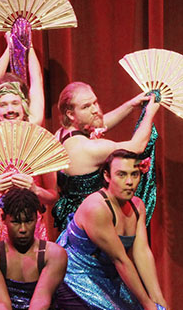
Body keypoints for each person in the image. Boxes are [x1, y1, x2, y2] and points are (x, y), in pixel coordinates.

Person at [55, 150, 172, 310]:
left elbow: (141, 254)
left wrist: (158, 301)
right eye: (122, 174)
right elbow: (122, 260)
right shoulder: (96, 207)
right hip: (71, 274)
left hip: (104, 276)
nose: (129, 181)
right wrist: (147, 301)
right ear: (107, 177)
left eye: (134, 174)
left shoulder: (138, 206)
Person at [0, 30, 58, 299]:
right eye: (3, 104)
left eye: (15, 103)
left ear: (24, 106)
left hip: (31, 224)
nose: (9, 109)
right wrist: (10, 47)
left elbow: (52, 197)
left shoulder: (35, 133)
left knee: (33, 293)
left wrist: (26, 46)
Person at [52, 82, 158, 232]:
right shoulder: (89, 148)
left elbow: (101, 122)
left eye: (95, 102)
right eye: (86, 107)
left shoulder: (61, 134)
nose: (95, 110)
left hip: (72, 222)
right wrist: (149, 114)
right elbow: (137, 146)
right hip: (91, 225)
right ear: (70, 114)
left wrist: (131, 104)